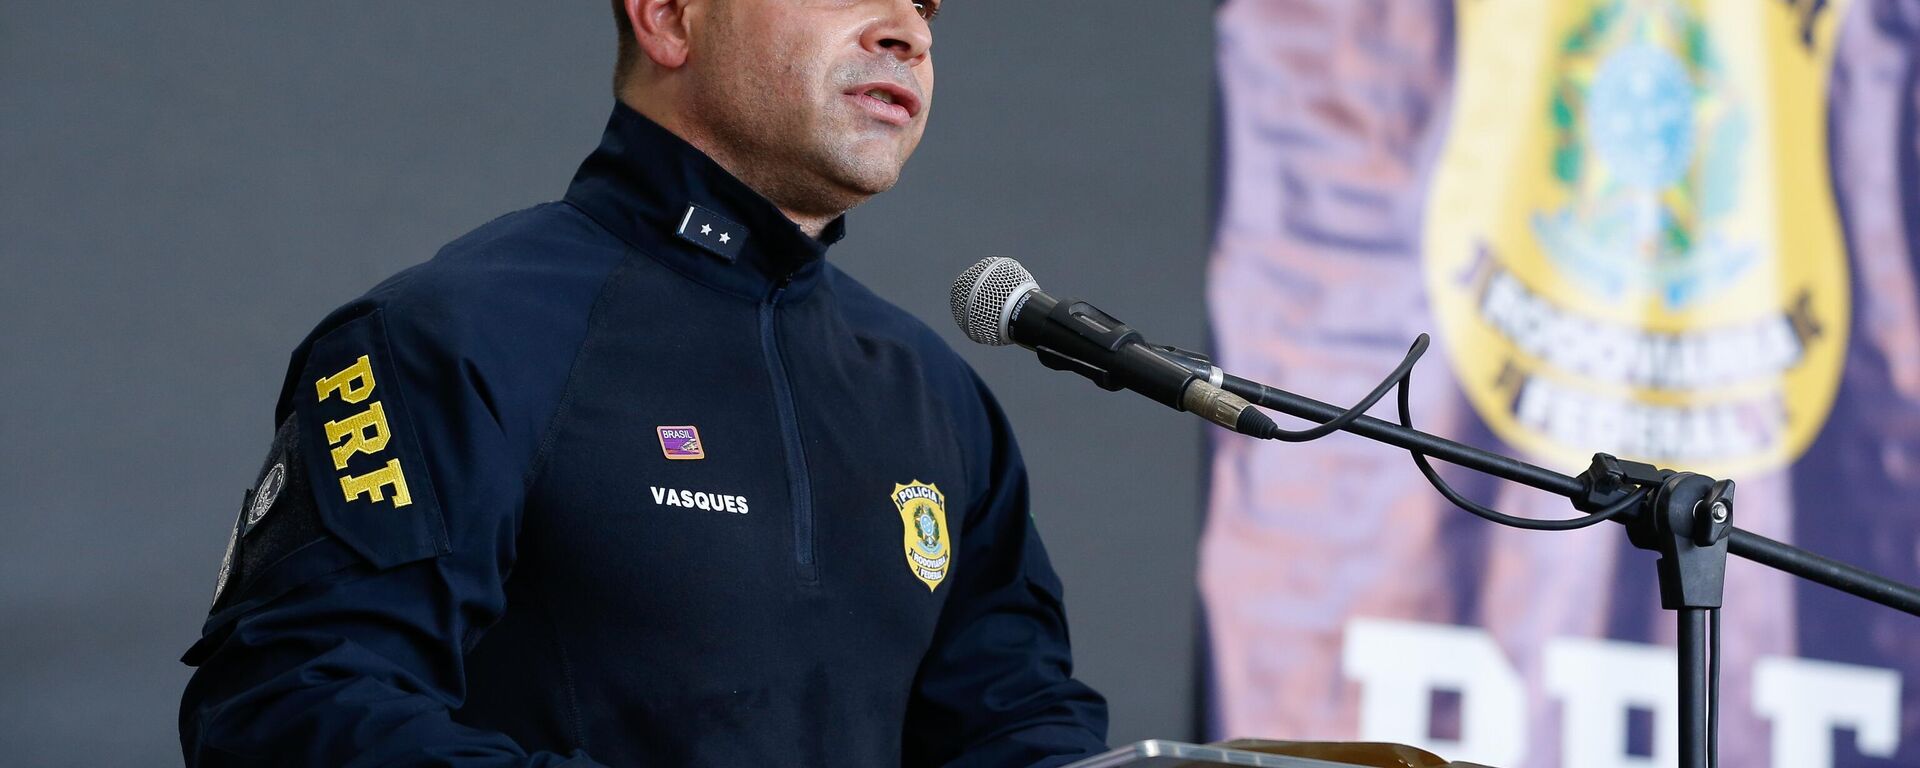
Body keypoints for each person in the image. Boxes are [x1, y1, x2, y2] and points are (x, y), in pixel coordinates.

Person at [177, 1, 1109, 765]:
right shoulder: (457, 334)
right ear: (667, 18)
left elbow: (1017, 721)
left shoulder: (933, 392)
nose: (911, 29)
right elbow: (292, 707)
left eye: (924, 2)